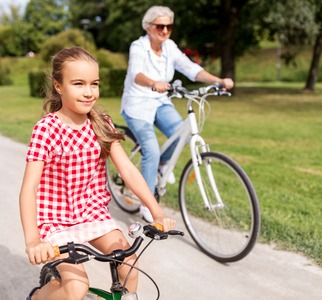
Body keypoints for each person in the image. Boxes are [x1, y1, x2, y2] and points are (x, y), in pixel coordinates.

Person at [20, 46, 176, 300]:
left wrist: (156, 212)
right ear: (59, 86)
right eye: (79, 84)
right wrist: (33, 241)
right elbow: (29, 188)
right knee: (76, 287)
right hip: (56, 221)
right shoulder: (46, 130)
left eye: (94, 84)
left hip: (92, 213)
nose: (89, 92)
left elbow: (127, 169)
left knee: (129, 265)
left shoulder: (100, 122)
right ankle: (37, 297)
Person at [121, 6, 234, 222]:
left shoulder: (169, 47)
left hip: (160, 101)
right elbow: (137, 74)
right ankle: (148, 203)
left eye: (169, 27)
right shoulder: (139, 46)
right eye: (160, 26)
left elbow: (191, 69)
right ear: (148, 27)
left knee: (180, 132)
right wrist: (153, 83)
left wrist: (218, 80)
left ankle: (160, 167)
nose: (165, 31)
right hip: (137, 103)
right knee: (151, 149)